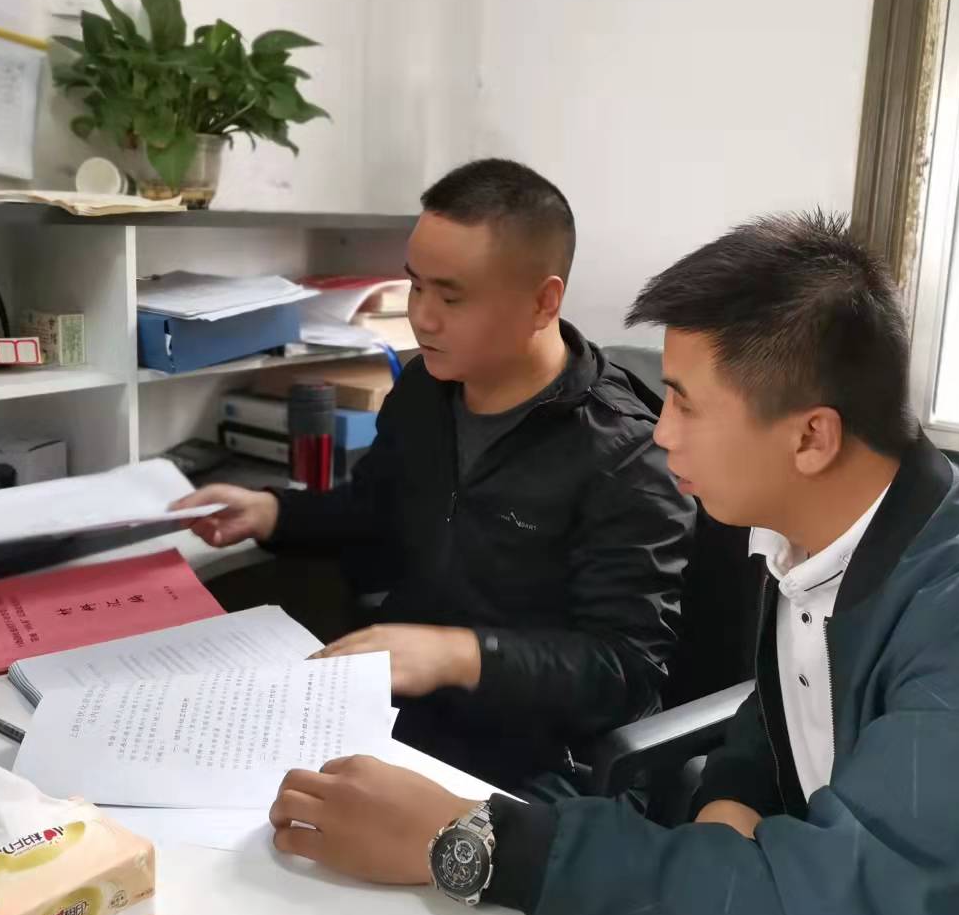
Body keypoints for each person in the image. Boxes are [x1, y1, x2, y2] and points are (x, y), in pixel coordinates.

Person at [260, 211, 959, 915]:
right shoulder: (822, 526)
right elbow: (786, 708)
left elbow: (846, 898)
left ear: (810, 437)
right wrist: (731, 801)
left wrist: (470, 841)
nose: (661, 429)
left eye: (684, 403)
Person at [172, 158, 693, 791]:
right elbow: (378, 513)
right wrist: (273, 512)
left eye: (451, 297)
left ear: (543, 301)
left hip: (533, 759)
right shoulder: (426, 388)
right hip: (401, 716)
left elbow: (625, 671)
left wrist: (461, 654)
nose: (423, 317)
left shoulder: (626, 453)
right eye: (415, 286)